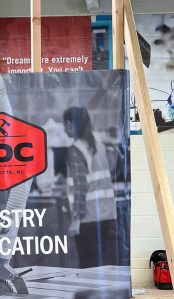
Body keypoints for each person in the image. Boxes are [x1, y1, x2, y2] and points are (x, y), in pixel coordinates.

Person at [63, 106, 117, 269]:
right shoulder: (99, 145)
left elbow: (80, 186)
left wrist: (76, 220)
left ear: (70, 123)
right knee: (101, 268)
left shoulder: (76, 149)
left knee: (88, 268)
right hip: (106, 216)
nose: (64, 129)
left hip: (88, 220)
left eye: (64, 124)